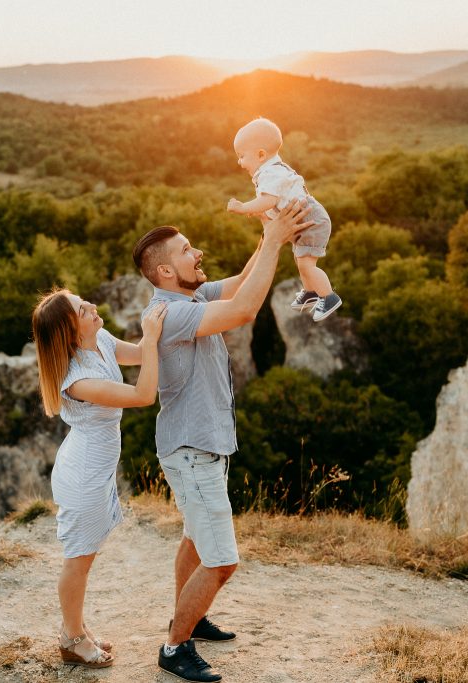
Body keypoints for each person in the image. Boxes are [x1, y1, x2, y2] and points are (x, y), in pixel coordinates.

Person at [133, 201, 312, 682]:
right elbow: (245, 308)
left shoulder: (191, 295)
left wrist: (267, 235)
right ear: (166, 270)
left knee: (195, 538)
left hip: (201, 447)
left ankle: (189, 618)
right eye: (188, 250)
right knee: (222, 561)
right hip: (191, 451)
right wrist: (274, 240)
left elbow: (239, 283)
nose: (199, 252)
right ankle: (174, 648)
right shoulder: (170, 313)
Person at [32, 288, 167, 669]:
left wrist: (156, 330)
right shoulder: (78, 381)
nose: (92, 306)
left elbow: (142, 355)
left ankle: (74, 628)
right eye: (82, 309)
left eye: (84, 301)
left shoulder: (101, 339)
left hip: (97, 469)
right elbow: (143, 395)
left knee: (84, 559)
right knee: (78, 561)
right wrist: (153, 335)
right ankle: (72, 639)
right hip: (84, 476)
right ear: (71, 333)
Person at [227, 117, 342, 322]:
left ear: (261, 154)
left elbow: (268, 200)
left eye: (242, 156)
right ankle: (310, 292)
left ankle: (329, 297)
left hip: (311, 220)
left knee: (307, 265)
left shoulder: (270, 173)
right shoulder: (272, 170)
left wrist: (244, 208)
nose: (239, 162)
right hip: (303, 220)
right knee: (301, 262)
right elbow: (274, 204)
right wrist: (263, 213)